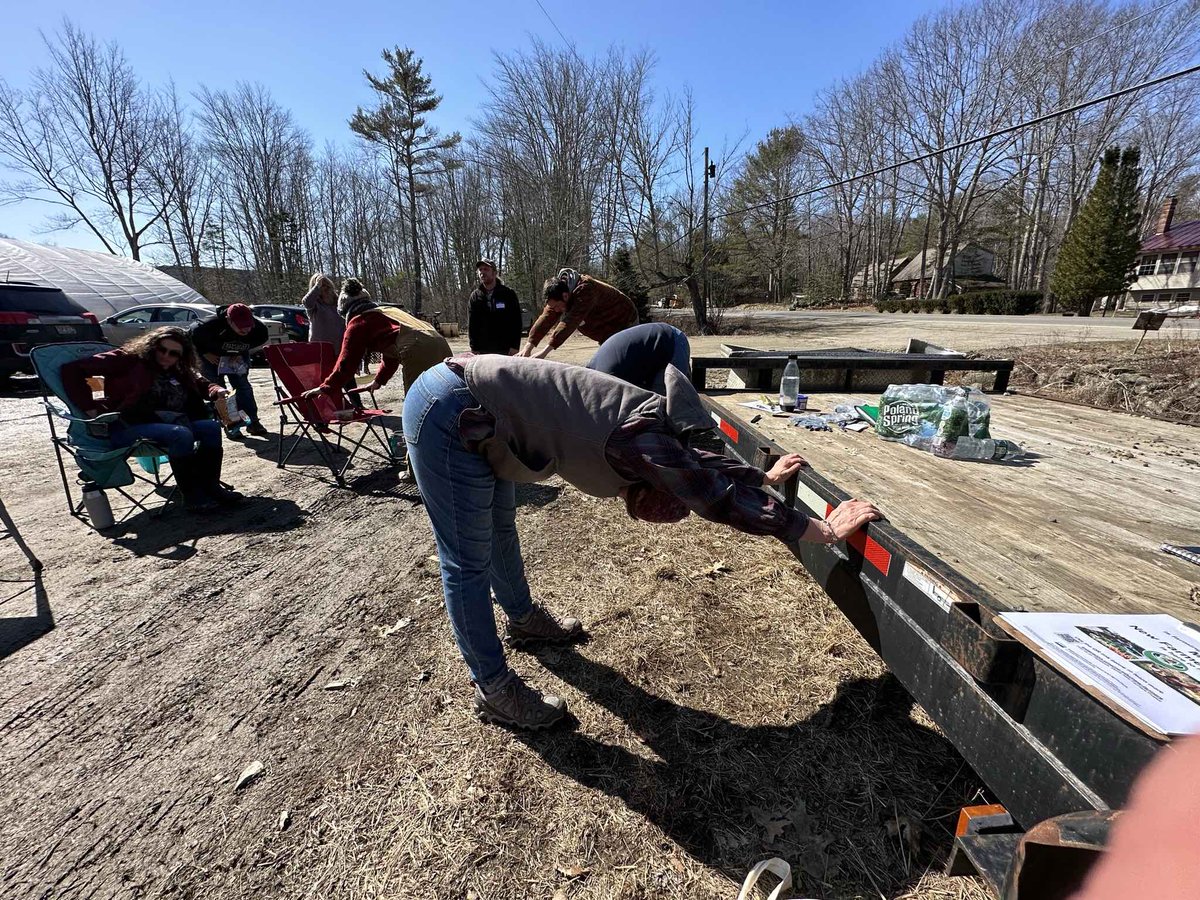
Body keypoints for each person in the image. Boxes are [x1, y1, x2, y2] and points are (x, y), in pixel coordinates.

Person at [403, 354, 881, 731]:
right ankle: (493, 689)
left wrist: (763, 476)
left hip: (487, 407)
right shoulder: (642, 438)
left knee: (501, 527)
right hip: (450, 411)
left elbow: (701, 467)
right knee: (466, 560)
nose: (644, 514)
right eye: (656, 505)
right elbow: (715, 497)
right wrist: (817, 530)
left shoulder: (662, 439)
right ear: (655, 482)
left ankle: (525, 620)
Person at [61, 326, 244, 512]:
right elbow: (77, 371)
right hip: (128, 426)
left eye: (173, 353)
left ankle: (211, 487)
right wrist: (95, 405)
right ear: (152, 346)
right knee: (180, 434)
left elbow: (199, 383)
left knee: (210, 428)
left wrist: (217, 390)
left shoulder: (178, 368)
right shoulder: (129, 358)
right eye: (162, 349)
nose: (166, 356)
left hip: (171, 423)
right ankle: (192, 497)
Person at [517, 267, 638, 360]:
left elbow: (570, 322)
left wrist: (545, 352)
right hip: (606, 331)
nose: (557, 310)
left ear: (565, 296)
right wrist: (528, 347)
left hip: (625, 322)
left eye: (557, 306)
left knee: (623, 363)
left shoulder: (585, 290)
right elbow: (546, 317)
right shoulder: (558, 292)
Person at [190, 303, 270, 437]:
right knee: (219, 390)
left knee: (243, 387)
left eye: (248, 327)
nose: (246, 331)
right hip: (211, 357)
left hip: (236, 356)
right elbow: (191, 338)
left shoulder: (259, 329)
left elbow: (260, 339)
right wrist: (204, 352)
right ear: (229, 320)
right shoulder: (206, 326)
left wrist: (240, 350)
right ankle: (231, 424)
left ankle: (253, 422)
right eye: (241, 328)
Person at [586, 321, 692, 394]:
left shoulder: (609, 379)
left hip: (671, 341)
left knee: (670, 399)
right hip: (653, 346)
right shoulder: (591, 369)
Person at [468, 260, 523, 356]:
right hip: (483, 350)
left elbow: (516, 322)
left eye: (486, 269)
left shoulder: (508, 294)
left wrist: (515, 346)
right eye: (480, 270)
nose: (482, 272)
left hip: (504, 349)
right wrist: (474, 348)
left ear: (494, 273)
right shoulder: (475, 297)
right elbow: (472, 324)